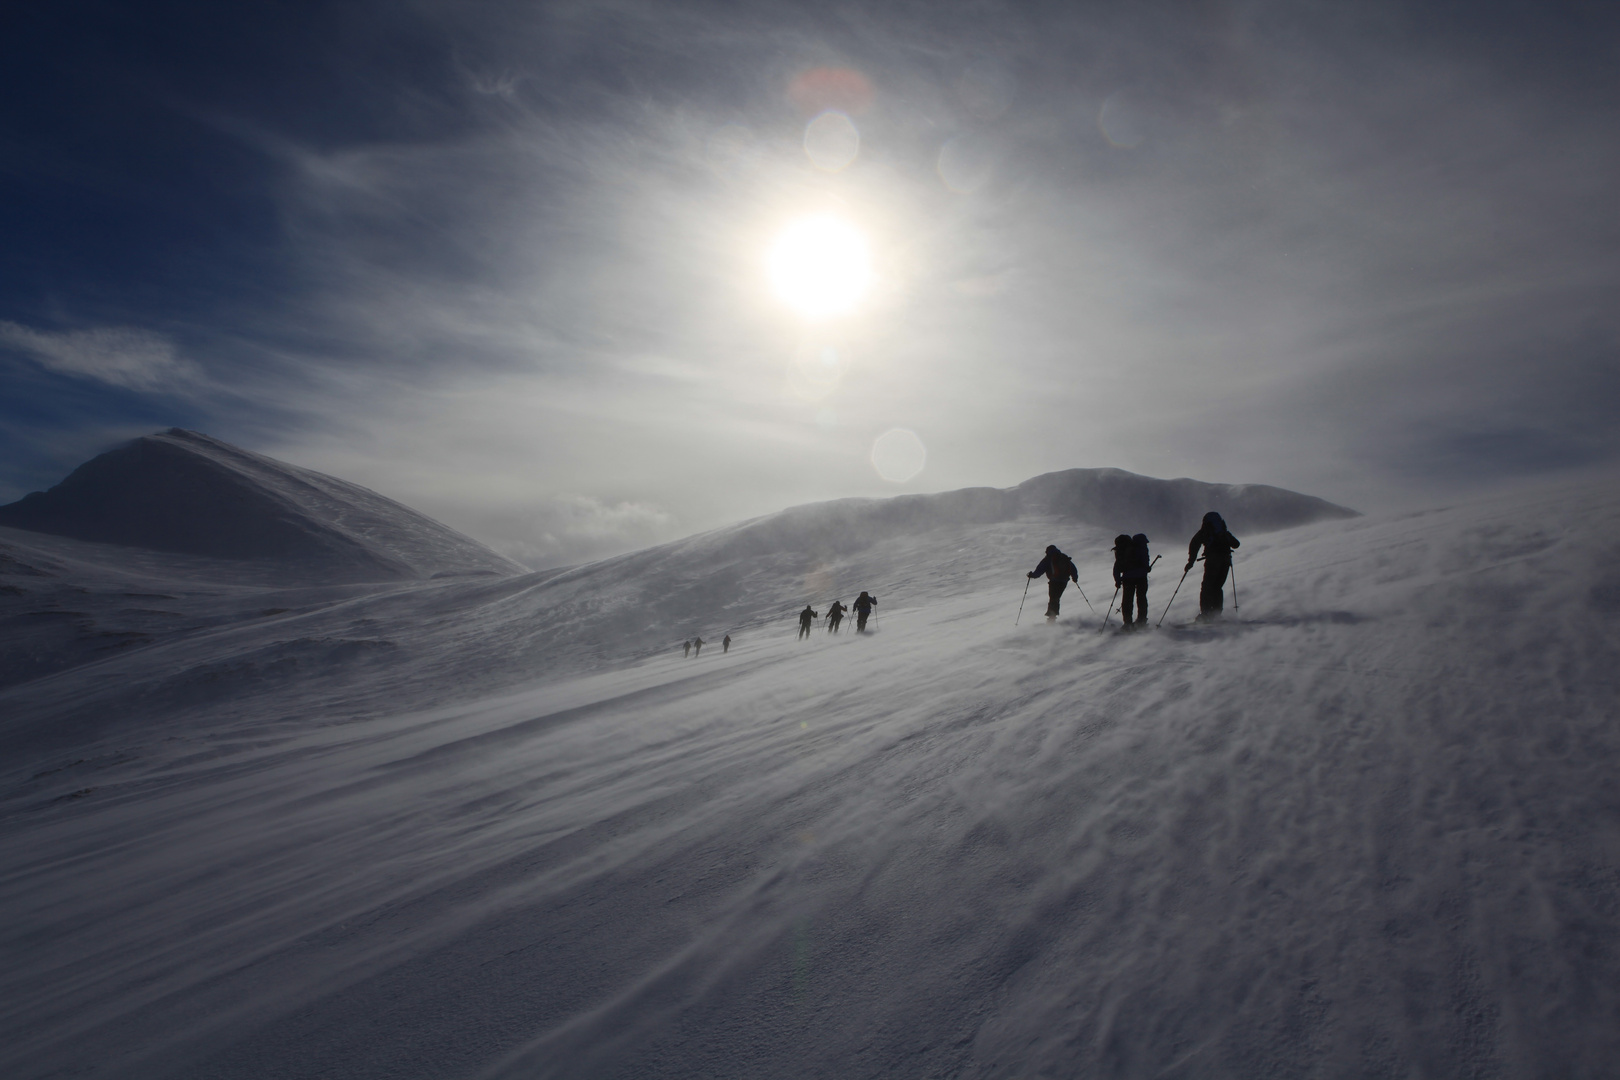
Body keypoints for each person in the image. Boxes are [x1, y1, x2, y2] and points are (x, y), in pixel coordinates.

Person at [1186, 511, 1241, 619]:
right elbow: (1236, 544)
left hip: (1212, 561)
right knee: (1217, 587)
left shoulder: (1205, 531)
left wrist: (1190, 562)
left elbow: (1194, 544)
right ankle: (1216, 614)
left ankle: (1206, 613)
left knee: (1207, 586)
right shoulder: (1224, 532)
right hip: (1225, 561)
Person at [1028, 544, 1079, 621]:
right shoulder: (1063, 557)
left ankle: (1051, 618)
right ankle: (1052, 617)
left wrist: (1032, 575)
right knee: (1056, 598)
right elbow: (1073, 568)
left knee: (1053, 598)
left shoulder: (1048, 559)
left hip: (1054, 581)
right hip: (1064, 581)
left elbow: (1040, 570)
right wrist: (1074, 578)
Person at [1113, 533, 1152, 630]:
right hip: (1141, 577)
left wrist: (1117, 581)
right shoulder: (1140, 548)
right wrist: (1146, 568)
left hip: (1128, 578)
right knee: (1141, 598)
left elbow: (1116, 567)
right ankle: (1142, 620)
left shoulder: (1122, 552)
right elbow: (1145, 561)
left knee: (1127, 601)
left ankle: (1128, 623)